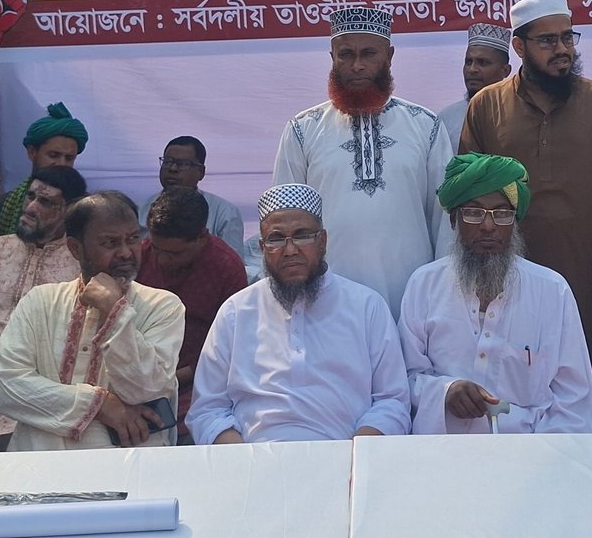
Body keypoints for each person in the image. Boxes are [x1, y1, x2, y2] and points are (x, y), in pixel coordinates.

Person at [460, 0, 592, 430]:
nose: (562, 49)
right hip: (505, 278)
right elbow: (468, 200)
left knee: (586, 385)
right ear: (519, 47)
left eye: (567, 38)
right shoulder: (487, 106)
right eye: (547, 41)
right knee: (510, 382)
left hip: (585, 280)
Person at [187, 185, 411, 443]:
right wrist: (244, 460)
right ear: (262, 247)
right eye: (276, 239)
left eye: (302, 236)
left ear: (323, 241)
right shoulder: (235, 312)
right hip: (253, 458)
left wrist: (354, 456)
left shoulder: (367, 307)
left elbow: (392, 401)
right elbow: (207, 410)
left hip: (346, 455)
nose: (290, 250)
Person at [398, 153, 592, 435]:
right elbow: (402, 379)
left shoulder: (553, 291)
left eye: (502, 214)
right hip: (440, 449)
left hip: (528, 450)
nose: (488, 226)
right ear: (454, 220)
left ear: (515, 223)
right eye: (474, 212)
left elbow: (574, 400)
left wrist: (543, 458)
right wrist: (446, 391)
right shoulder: (424, 284)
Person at [272, 7, 453, 315]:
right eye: (346, 54)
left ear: (389, 56)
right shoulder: (302, 130)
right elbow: (285, 221)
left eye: (369, 54)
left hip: (413, 299)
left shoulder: (426, 126)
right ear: (332, 57)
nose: (357, 65)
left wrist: (441, 294)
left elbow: (445, 219)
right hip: (325, 302)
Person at [0, 191, 186, 450]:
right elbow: (10, 390)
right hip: (41, 459)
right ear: (75, 248)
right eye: (110, 243)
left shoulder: (162, 305)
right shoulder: (40, 302)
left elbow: (148, 389)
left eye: (133, 239)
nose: (126, 253)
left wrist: (115, 311)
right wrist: (100, 405)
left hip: (125, 463)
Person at [0, 165, 87, 451]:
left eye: (45, 202)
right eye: (30, 196)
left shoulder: (81, 267)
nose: (29, 208)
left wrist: (16, 387)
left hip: (39, 400)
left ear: (69, 211)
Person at [136, 187, 249, 443]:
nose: (162, 260)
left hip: (199, 382)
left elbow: (232, 348)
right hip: (139, 377)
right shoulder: (140, 255)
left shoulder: (227, 268)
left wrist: (171, 380)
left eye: (174, 253)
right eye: (157, 249)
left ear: (202, 237)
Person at [0, 102, 88, 243]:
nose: (61, 164)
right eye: (53, 155)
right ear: (32, 152)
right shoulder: (0, 208)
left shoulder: (87, 210)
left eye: (69, 158)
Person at [138, 136, 247, 276]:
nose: (172, 168)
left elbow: (233, 268)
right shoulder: (140, 210)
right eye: (168, 162)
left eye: (183, 164)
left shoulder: (226, 213)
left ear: (201, 172)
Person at [436, 23, 512, 136]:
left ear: (505, 70)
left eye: (483, 62)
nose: (472, 69)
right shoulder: (446, 119)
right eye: (468, 62)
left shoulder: (518, 114)